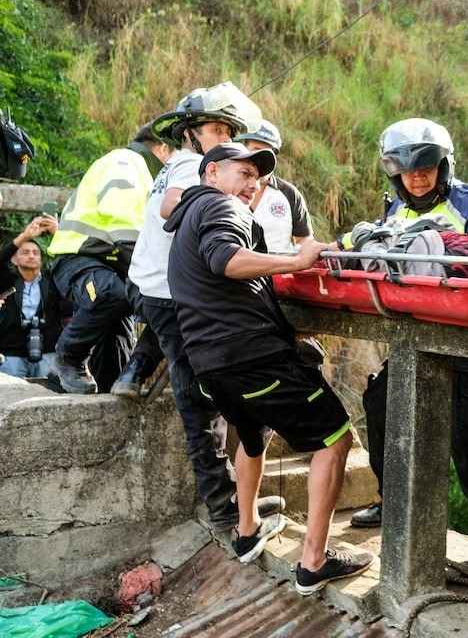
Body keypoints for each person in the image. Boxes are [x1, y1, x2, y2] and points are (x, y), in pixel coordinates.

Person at [166, 142, 372, 593]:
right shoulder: (220, 206)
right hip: (251, 356)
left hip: (211, 364)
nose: (252, 183)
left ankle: (246, 531)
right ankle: (314, 562)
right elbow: (227, 260)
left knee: (253, 433)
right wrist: (296, 261)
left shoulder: (188, 218)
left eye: (257, 178)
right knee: (336, 439)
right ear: (213, 172)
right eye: (244, 172)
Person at [331, 118, 468, 570]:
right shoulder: (393, 210)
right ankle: (388, 499)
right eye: (407, 172)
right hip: (412, 335)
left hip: (463, 337)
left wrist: (454, 247)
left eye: (427, 169)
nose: (418, 179)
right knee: (379, 406)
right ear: (394, 174)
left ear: (444, 166)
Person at [127, 83, 282, 532]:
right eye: (217, 128)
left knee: (206, 396)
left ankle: (233, 496)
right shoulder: (196, 167)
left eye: (230, 129)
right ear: (191, 133)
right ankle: (223, 507)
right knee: (200, 403)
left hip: (154, 287)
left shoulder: (179, 163)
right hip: (171, 297)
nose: (225, 137)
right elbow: (171, 207)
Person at [46, 125, 171, 394]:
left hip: (111, 265)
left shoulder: (146, 175)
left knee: (121, 346)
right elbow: (123, 225)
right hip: (79, 257)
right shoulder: (126, 161)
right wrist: (150, 277)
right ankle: (68, 358)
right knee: (111, 294)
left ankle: (112, 384)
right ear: (162, 148)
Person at [0, 216, 64, 378]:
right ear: (15, 259)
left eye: (36, 253)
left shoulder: (53, 282)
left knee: (51, 395)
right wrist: (25, 236)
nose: (31, 256)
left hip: (48, 351)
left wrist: (59, 233)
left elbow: (69, 261)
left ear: (41, 260)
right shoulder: (7, 281)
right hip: (12, 352)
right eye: (26, 252)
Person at [235, 120, 313, 253]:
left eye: (268, 153)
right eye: (256, 151)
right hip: (235, 270)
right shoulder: (226, 188)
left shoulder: (289, 194)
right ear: (243, 152)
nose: (262, 158)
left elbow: (304, 240)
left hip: (280, 270)